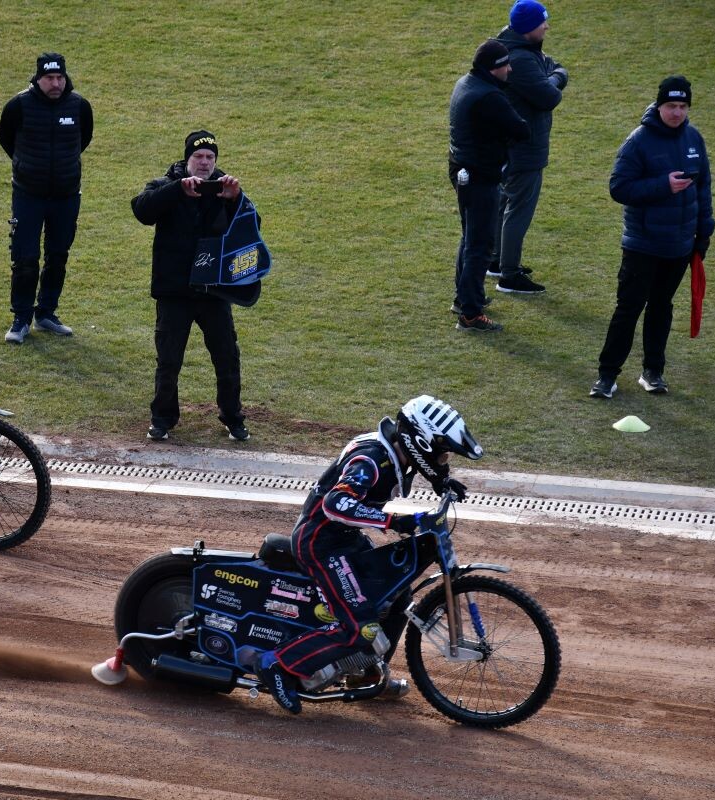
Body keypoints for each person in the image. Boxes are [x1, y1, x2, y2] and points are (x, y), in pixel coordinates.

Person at [255, 396, 483, 714]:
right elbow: (336, 504)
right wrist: (395, 521)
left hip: (344, 540)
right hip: (321, 546)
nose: (443, 460)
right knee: (360, 629)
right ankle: (278, 664)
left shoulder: (397, 451)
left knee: (397, 594)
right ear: (420, 442)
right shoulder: (372, 461)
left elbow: (422, 465)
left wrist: (441, 480)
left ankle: (365, 675)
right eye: (442, 454)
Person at [590, 76, 714, 399]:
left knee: (662, 307)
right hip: (642, 245)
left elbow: (704, 190)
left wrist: (703, 235)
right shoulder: (638, 142)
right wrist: (663, 186)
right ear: (659, 105)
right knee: (628, 308)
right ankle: (606, 376)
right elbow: (618, 187)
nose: (677, 112)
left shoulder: (694, 140)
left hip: (679, 246)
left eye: (683, 106)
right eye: (671, 106)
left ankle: (653, 372)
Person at [131, 130, 252, 442]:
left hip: (214, 291)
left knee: (227, 357)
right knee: (169, 361)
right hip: (175, 292)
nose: (204, 162)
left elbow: (253, 226)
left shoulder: (227, 187)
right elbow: (141, 210)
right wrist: (177, 191)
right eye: (198, 156)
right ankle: (162, 419)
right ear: (187, 160)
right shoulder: (165, 185)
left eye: (210, 157)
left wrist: (235, 201)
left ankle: (233, 418)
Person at [0, 52, 93, 344]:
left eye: (60, 78)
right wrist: (27, 167)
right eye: (49, 78)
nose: (55, 83)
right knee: (25, 258)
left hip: (66, 197)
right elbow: (7, 139)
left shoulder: (79, 106)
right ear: (38, 79)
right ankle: (21, 318)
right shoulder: (18, 106)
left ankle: (47, 313)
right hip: (28, 196)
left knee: (58, 255)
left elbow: (84, 139)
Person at [448, 40, 531, 332]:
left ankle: (464, 299)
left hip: (462, 171)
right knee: (479, 246)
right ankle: (470, 314)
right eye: (504, 66)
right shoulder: (490, 97)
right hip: (481, 177)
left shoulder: (465, 83)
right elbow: (522, 130)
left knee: (470, 237)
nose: (509, 69)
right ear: (491, 69)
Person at [489, 0, 568, 295]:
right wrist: (557, 77)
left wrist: (551, 74)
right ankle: (508, 275)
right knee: (518, 210)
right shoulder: (521, 60)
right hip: (526, 146)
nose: (547, 26)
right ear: (526, 29)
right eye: (542, 22)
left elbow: (550, 66)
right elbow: (550, 96)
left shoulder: (518, 50)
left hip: (514, 143)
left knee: (506, 205)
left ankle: (497, 261)